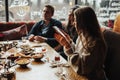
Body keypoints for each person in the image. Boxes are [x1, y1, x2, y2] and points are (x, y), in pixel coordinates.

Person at [55, 6, 107, 80]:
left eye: (75, 20)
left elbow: (83, 68)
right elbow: (78, 53)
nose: (73, 23)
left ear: (83, 22)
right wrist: (69, 42)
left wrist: (68, 48)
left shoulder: (96, 42)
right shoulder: (82, 36)